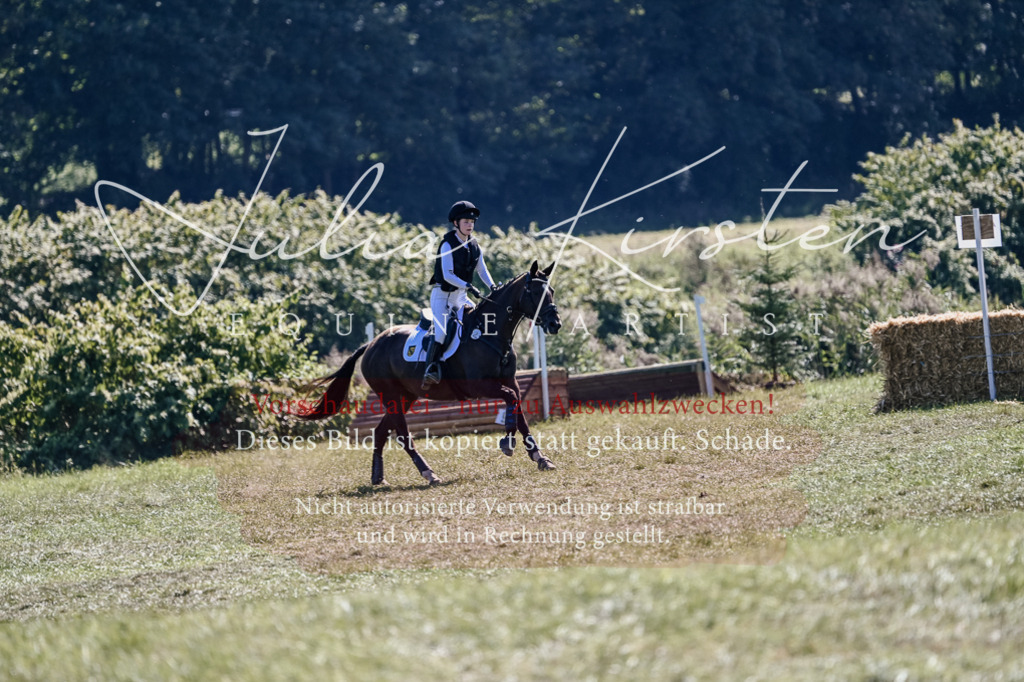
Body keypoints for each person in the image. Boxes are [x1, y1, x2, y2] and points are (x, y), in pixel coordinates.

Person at [422, 200, 496, 387]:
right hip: (443, 297)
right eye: (466, 221)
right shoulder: (447, 244)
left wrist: (493, 287)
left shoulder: (473, 245)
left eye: (472, 222)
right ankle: (430, 369)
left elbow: (482, 270)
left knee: (479, 321)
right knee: (441, 333)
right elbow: (448, 275)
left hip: (460, 297)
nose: (470, 225)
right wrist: (468, 286)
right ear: (456, 223)